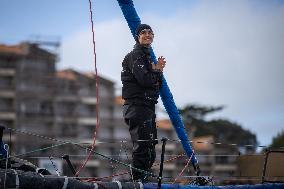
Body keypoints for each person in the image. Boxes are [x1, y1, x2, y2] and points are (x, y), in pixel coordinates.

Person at [121, 24, 166, 181]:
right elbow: (146, 80)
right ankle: (138, 181)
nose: (147, 35)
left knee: (150, 146)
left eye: (150, 32)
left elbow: (155, 84)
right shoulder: (135, 56)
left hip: (147, 107)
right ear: (137, 37)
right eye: (143, 33)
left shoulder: (146, 57)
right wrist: (158, 70)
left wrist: (156, 71)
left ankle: (144, 179)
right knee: (142, 146)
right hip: (136, 106)